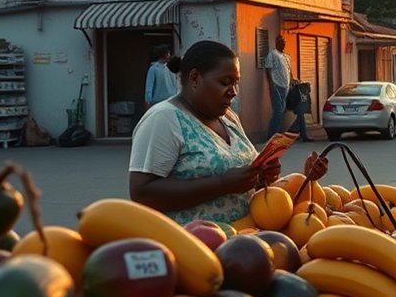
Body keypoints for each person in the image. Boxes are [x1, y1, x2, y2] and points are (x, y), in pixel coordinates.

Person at [129, 40, 327, 224]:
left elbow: (242, 185)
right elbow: (142, 192)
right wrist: (222, 184)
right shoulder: (164, 119)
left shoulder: (228, 118)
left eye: (236, 83)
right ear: (195, 78)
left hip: (244, 240)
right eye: (225, 82)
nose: (233, 91)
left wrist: (261, 175)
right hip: (193, 248)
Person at [264, 35, 292, 139]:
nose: (283, 43)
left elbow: (289, 70)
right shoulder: (272, 54)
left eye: (284, 41)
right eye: (280, 41)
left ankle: (278, 134)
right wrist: (271, 84)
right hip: (277, 86)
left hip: (285, 87)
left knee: (282, 111)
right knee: (278, 111)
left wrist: (292, 80)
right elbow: (268, 69)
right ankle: (271, 136)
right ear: (276, 42)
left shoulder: (285, 56)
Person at [144, 45, 178, 111]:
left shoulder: (171, 67)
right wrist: (148, 101)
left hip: (171, 101)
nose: (169, 55)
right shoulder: (154, 69)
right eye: (168, 53)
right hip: (159, 102)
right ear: (163, 54)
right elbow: (149, 86)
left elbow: (176, 85)